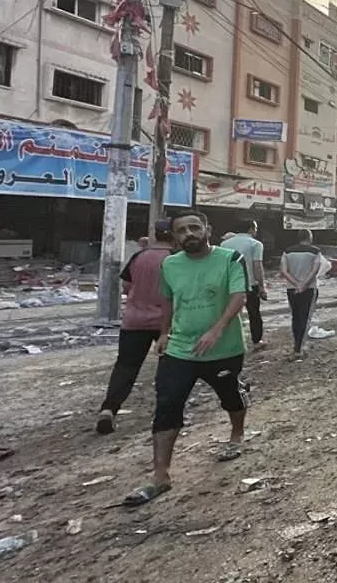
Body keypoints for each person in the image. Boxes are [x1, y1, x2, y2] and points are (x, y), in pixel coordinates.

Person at [124, 211, 250, 507]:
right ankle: (160, 476)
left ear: (208, 229)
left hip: (224, 349)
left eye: (195, 228)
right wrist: (164, 333)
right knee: (167, 403)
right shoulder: (170, 264)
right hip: (180, 348)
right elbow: (168, 300)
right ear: (175, 235)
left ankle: (237, 434)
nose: (189, 234)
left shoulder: (231, 259)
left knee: (230, 395)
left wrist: (217, 330)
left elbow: (239, 297)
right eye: (182, 230)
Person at [97, 220, 174, 434]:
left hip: (134, 320)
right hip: (166, 323)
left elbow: (127, 286)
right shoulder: (176, 259)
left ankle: (108, 409)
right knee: (168, 367)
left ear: (156, 235)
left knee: (126, 367)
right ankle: (165, 411)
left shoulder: (139, 256)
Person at [219, 220, 267, 350]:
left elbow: (223, 266)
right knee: (254, 314)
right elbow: (257, 266)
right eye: (255, 228)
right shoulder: (256, 244)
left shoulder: (224, 244)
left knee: (231, 314)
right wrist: (262, 286)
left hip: (231, 285)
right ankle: (257, 341)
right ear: (250, 229)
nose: (256, 231)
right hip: (250, 285)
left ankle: (230, 343)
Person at [280, 230, 322, 357]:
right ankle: (299, 348)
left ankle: (296, 344)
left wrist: (296, 284)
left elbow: (284, 271)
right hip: (309, 288)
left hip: (291, 289)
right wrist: (303, 284)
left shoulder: (287, 251)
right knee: (305, 317)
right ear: (309, 237)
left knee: (295, 316)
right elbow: (315, 270)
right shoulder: (315, 251)